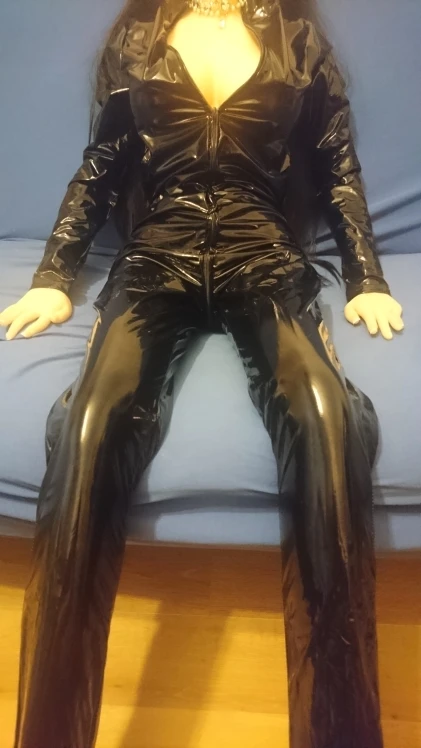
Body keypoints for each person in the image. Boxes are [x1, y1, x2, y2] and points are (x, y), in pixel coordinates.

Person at [0, 0, 404, 745]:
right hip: (157, 257)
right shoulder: (137, 38)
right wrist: (55, 275)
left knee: (323, 413)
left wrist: (365, 278)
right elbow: (101, 166)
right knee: (91, 424)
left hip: (263, 254)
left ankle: (339, 733)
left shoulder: (297, 42)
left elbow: (336, 165)